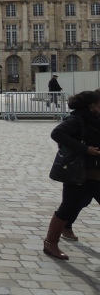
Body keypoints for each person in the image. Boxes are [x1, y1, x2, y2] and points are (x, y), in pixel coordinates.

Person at [42, 91, 100, 260]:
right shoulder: (77, 120)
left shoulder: (95, 120)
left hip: (95, 172)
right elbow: (57, 133)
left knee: (75, 204)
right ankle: (50, 243)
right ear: (93, 106)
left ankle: (64, 230)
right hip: (78, 172)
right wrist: (85, 149)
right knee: (67, 206)